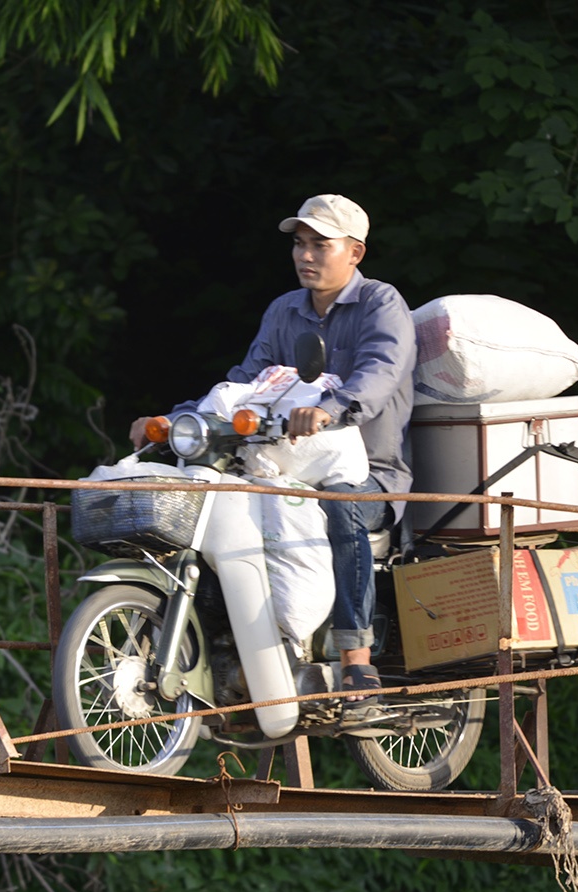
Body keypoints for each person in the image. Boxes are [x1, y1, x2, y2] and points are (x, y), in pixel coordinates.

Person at [134, 194, 416, 701]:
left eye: (320, 245)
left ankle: (357, 660)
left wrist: (329, 409)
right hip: (284, 471)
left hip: (369, 473)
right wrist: (173, 420)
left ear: (354, 252)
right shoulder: (284, 311)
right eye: (299, 243)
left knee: (342, 506)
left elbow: (381, 372)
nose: (305, 255)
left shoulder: (380, 303)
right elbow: (244, 383)